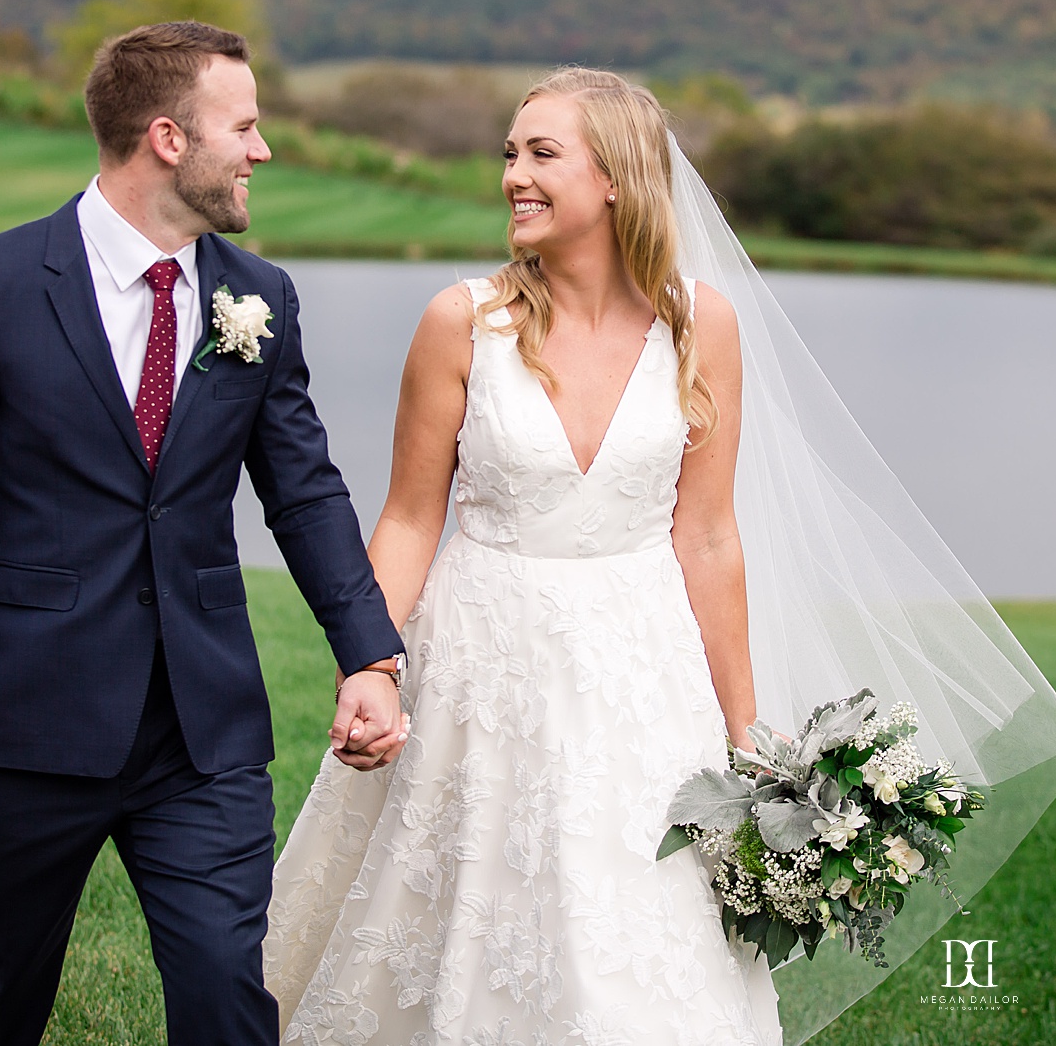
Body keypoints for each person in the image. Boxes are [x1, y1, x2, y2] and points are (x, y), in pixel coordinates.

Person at [0, 21, 409, 1046]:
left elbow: (303, 491)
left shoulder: (260, 298)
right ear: (167, 137)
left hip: (202, 735)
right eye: (242, 126)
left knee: (223, 995)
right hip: (23, 720)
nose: (262, 150)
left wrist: (368, 657)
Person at [265, 68, 783, 1044]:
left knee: (636, 927)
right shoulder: (461, 321)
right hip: (479, 664)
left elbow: (707, 533)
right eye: (510, 152)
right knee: (462, 919)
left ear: (619, 178)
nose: (513, 174)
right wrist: (368, 666)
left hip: (640, 673)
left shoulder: (700, 325)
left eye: (541, 152)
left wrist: (743, 727)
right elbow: (412, 519)